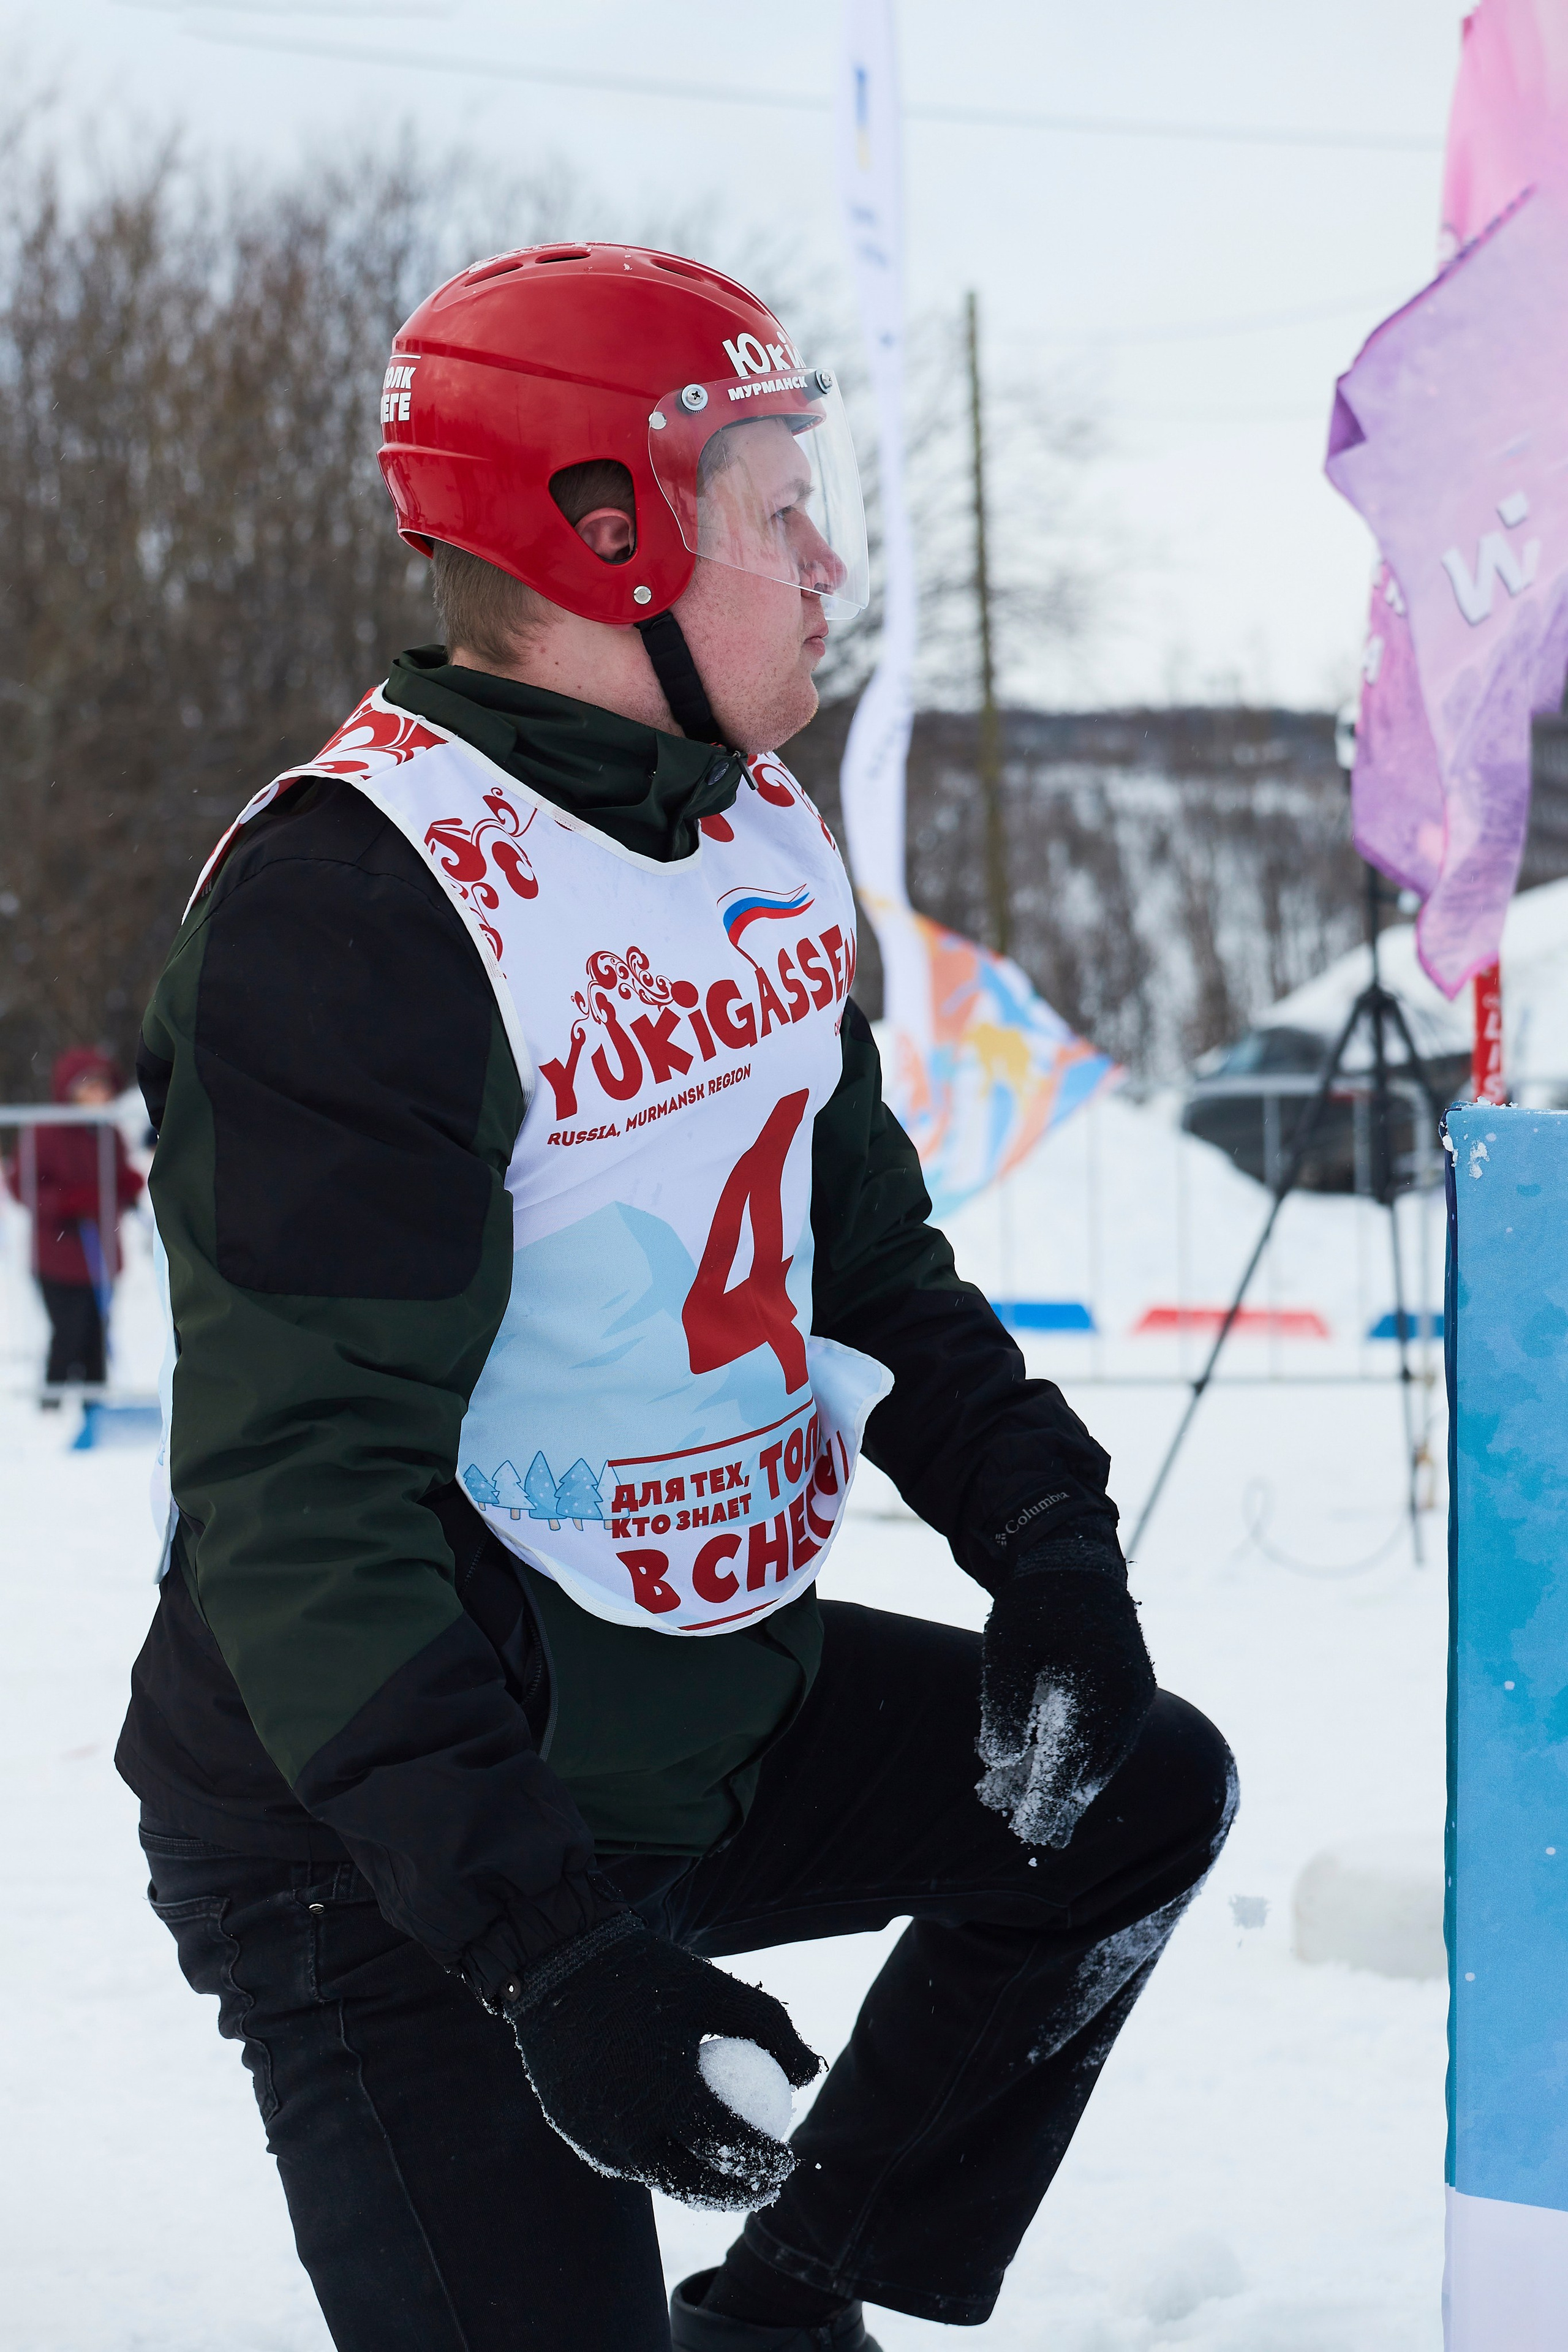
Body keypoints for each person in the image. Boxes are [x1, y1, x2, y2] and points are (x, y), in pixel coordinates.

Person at [118, 245, 1234, 2352]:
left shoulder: (750, 833)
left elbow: (866, 1256)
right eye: (777, 510)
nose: (828, 565)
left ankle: (791, 2305)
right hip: (389, 1840)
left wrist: (1046, 1537)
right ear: (602, 533)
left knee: (1133, 1800)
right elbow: (303, 1508)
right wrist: (547, 1950)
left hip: (693, 1713)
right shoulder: (352, 909)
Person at [6, 1046, 143, 1395]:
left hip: (102, 1256)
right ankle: (52, 1404)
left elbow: (118, 1179)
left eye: (104, 1085)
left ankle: (95, 1406)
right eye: (89, 1084)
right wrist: (69, 1202)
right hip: (60, 1255)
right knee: (68, 1334)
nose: (99, 1093)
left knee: (97, 1336)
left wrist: (128, 1186)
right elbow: (22, 1186)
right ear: (70, 1088)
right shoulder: (46, 1130)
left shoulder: (108, 1131)